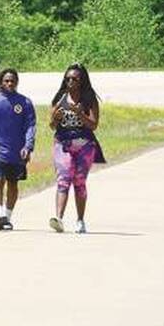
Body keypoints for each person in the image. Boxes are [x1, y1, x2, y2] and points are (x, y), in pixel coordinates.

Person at [48, 63, 106, 234]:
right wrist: (56, 119)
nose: (70, 81)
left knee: (79, 182)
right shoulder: (59, 98)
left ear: (82, 81)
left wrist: (80, 113)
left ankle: (80, 221)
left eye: (74, 79)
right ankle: (58, 219)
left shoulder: (89, 100)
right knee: (63, 179)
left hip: (85, 145)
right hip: (62, 143)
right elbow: (51, 125)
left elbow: (94, 125)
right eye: (68, 79)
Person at [0, 68, 36, 231]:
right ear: (1, 82)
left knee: (13, 184)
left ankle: (7, 218)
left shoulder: (25, 103)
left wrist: (28, 146)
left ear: (17, 82)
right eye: (6, 81)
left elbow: (30, 126)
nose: (9, 83)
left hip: (17, 153)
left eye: (12, 81)